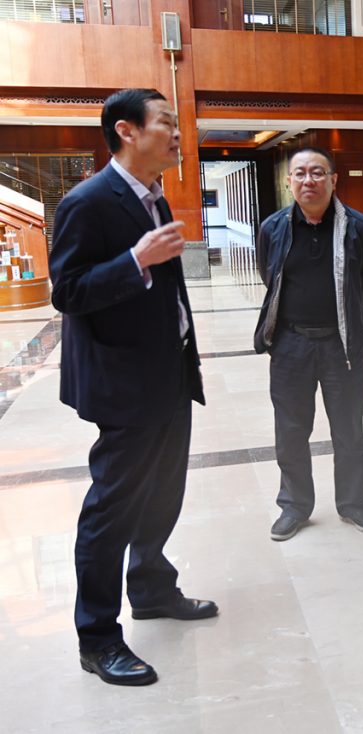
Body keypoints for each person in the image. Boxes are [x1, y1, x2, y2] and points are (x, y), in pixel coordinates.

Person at [50, 88, 217, 687]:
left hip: (168, 373)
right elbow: (67, 292)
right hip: (124, 384)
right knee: (112, 510)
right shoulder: (87, 202)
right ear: (127, 130)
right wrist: (134, 260)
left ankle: (150, 588)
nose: (177, 133)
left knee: (164, 493)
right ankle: (97, 638)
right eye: (166, 122)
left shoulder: (153, 194)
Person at [255, 146, 363, 542]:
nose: (308, 180)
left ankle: (353, 504)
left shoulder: (360, 228)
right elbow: (269, 275)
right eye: (300, 173)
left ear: (333, 179)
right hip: (290, 345)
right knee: (290, 430)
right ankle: (294, 506)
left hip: (341, 344)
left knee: (348, 429)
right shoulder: (273, 228)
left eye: (317, 172)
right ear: (289, 181)